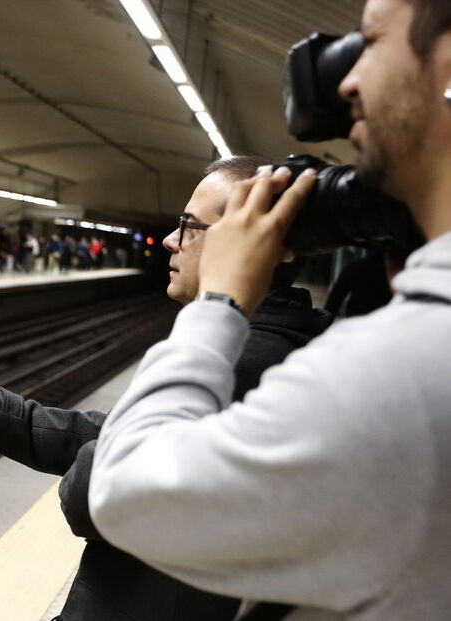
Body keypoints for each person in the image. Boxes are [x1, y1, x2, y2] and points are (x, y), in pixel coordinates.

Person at [89, 1, 451, 619]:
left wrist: (220, 303)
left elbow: (126, 493)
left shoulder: (406, 369)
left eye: (370, 41)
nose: (347, 81)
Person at [0, 156, 330, 621]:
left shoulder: (239, 364)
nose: (171, 241)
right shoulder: (305, 343)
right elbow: (116, 434)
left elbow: (88, 493)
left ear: (268, 242)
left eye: (191, 227)